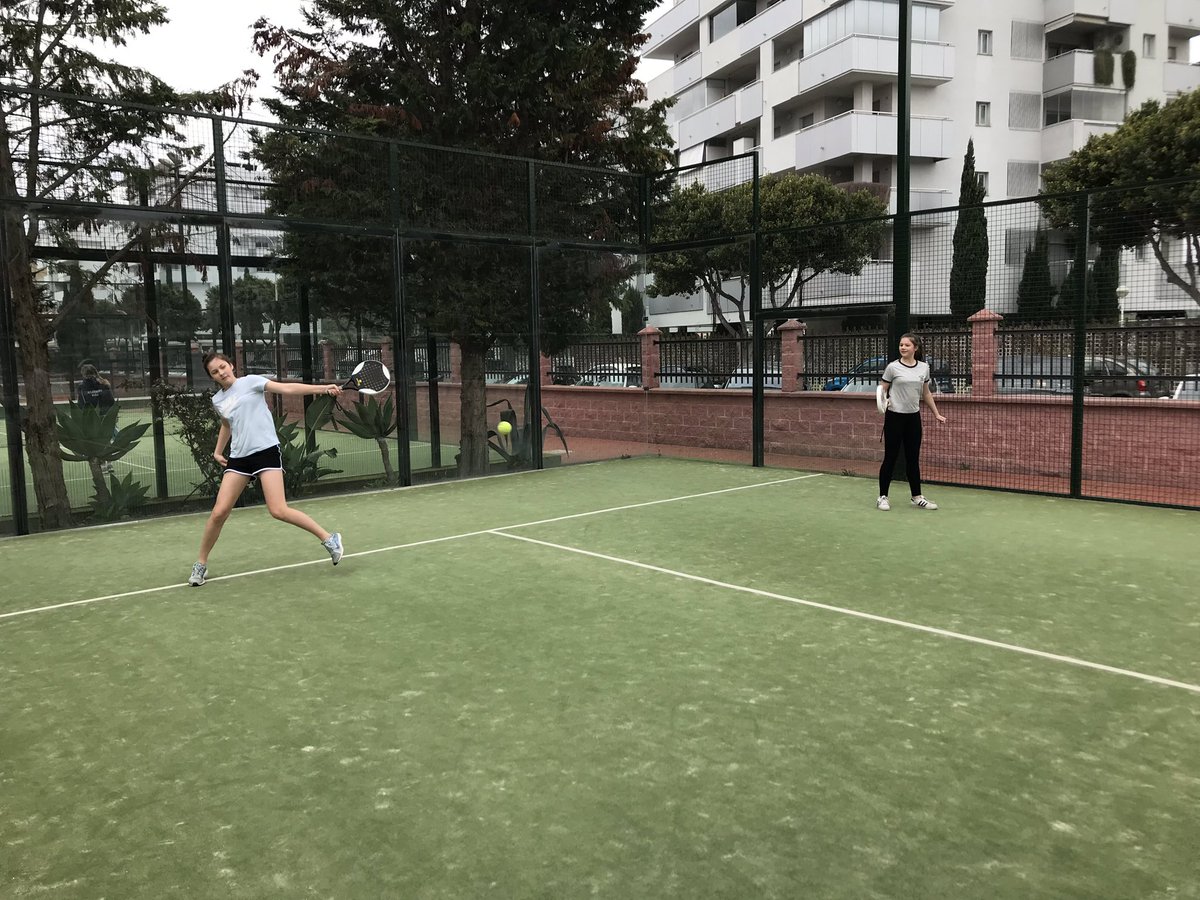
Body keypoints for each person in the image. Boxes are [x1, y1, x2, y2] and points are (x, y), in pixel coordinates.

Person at [188, 351, 344, 586]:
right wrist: (218, 451)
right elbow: (226, 424)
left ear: (231, 365)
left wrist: (322, 389)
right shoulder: (218, 400)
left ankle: (329, 539)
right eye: (215, 372)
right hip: (239, 458)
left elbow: (287, 389)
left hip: (265, 452)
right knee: (219, 512)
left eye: (223, 366)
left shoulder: (251, 382)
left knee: (278, 510)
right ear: (212, 377)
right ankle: (200, 564)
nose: (221, 372)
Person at [877, 333, 947, 511]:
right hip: (894, 417)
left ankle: (917, 496)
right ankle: (882, 497)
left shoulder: (924, 368)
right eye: (901, 345)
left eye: (907, 345)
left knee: (913, 459)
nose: (903, 348)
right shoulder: (892, 367)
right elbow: (881, 389)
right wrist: (883, 403)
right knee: (890, 458)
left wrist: (936, 414)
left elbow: (926, 393)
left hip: (913, 419)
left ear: (915, 348)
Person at [77, 363, 117, 473]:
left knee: (98, 442)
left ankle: (105, 464)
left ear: (83, 375)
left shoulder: (83, 387)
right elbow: (111, 402)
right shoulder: (104, 385)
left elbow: (81, 404)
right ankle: (107, 463)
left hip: (94, 418)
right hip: (104, 417)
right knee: (105, 440)